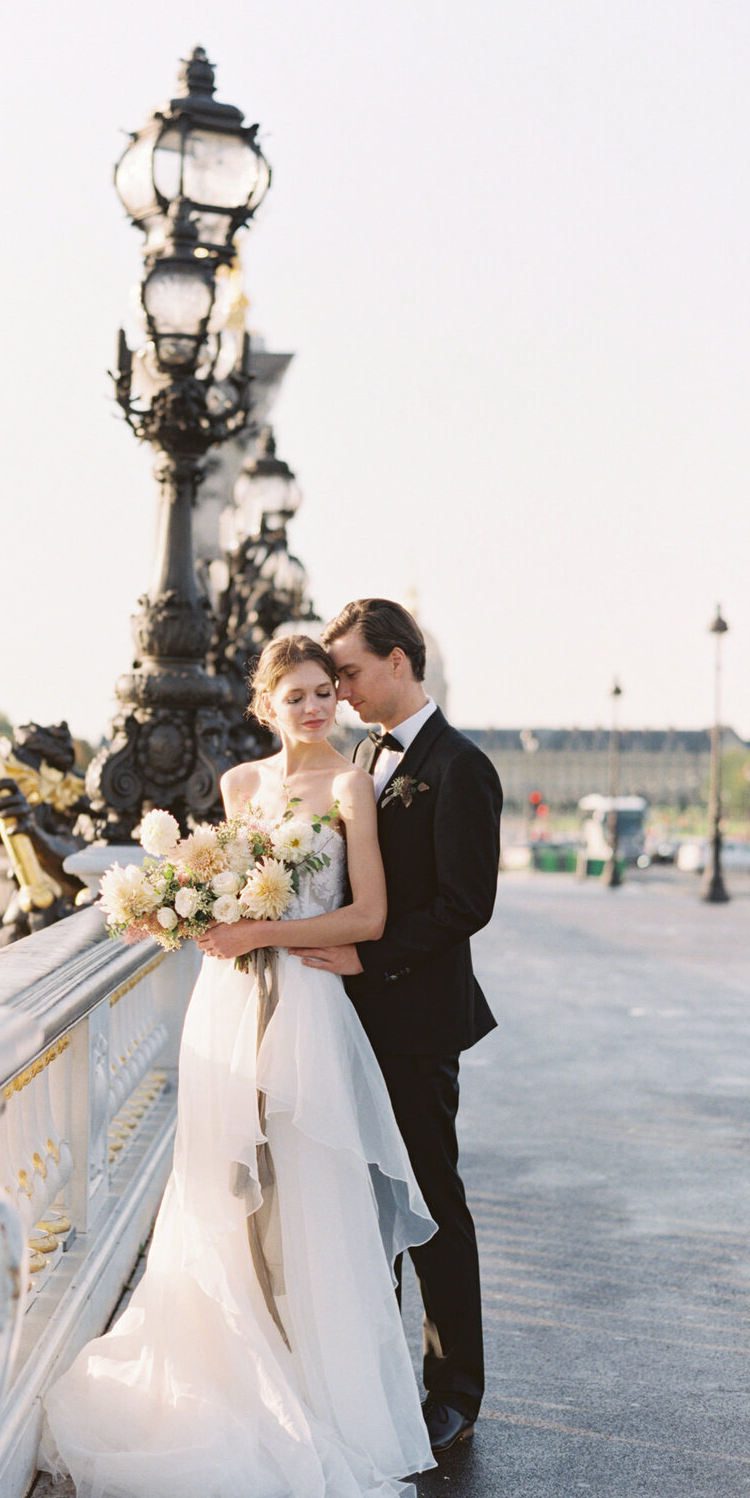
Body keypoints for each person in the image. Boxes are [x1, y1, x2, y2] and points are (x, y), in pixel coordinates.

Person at [40, 635, 439, 1498]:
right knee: (220, 1194)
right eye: (295, 696)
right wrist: (190, 909)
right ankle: (235, 1378)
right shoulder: (238, 789)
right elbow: (214, 906)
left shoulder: (350, 788)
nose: (313, 709)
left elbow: (369, 915)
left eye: (323, 694)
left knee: (308, 1198)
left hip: (305, 1008)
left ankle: (314, 1395)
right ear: (264, 704)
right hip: (228, 1008)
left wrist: (261, 922)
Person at [298, 598, 502, 1455]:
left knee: (429, 1203)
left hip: (416, 1021)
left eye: (346, 671)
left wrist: (366, 962)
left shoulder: (463, 769)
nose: (338, 690)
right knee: (362, 1204)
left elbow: (466, 905)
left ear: (398, 662)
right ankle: (374, 1379)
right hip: (343, 1022)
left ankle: (453, 1388)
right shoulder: (361, 758)